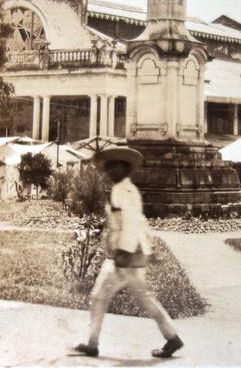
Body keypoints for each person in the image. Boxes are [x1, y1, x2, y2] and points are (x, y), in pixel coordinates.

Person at [74, 146, 183, 359]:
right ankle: (172, 338)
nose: (110, 171)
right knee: (144, 298)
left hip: (126, 255)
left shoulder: (124, 191)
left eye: (114, 167)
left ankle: (92, 343)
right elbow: (139, 222)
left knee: (99, 296)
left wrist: (122, 252)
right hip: (132, 254)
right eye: (108, 167)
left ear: (124, 169)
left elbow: (132, 224)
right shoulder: (124, 190)